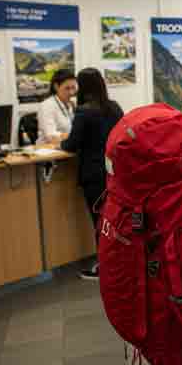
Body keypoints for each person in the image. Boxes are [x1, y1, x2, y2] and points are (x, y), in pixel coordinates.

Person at [60, 68, 124, 280]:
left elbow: (71, 145)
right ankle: (119, 263)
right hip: (115, 172)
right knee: (114, 220)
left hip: (94, 176)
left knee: (100, 222)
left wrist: (60, 143)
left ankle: (104, 268)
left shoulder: (84, 112)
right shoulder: (114, 107)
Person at [38, 69, 77, 144]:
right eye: (67, 88)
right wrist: (75, 136)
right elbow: (51, 136)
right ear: (56, 87)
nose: (71, 92)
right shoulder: (47, 106)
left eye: (73, 88)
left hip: (68, 147)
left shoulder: (73, 103)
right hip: (49, 150)